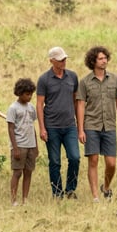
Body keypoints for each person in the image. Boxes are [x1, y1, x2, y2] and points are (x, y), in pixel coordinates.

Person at [76, 46, 117, 202]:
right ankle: (95, 196)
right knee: (93, 160)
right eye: (100, 59)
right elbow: (81, 105)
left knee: (111, 163)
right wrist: (80, 130)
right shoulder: (84, 82)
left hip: (109, 125)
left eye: (105, 58)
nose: (104, 61)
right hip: (91, 125)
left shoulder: (115, 80)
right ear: (93, 61)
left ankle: (106, 187)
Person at [36, 46, 80, 199]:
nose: (64, 62)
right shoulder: (44, 79)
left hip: (70, 126)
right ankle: (57, 192)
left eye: (65, 59)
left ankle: (70, 189)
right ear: (52, 61)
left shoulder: (72, 77)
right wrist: (42, 128)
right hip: (52, 126)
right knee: (54, 161)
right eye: (60, 60)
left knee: (74, 157)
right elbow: (39, 105)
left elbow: (76, 101)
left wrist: (79, 126)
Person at [7, 77, 38, 206]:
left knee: (28, 172)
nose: (29, 97)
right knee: (17, 172)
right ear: (19, 93)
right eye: (27, 94)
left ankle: (25, 199)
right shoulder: (13, 108)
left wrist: (36, 146)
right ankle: (14, 199)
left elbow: (32, 126)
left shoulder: (31, 108)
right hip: (19, 144)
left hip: (31, 144)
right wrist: (15, 148)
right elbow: (10, 128)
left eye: (31, 94)